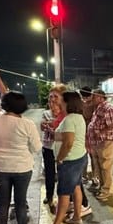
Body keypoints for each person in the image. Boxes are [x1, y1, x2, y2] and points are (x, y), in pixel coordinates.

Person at [0, 91, 42, 224]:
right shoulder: (27, 124)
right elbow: (37, 147)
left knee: (3, 202)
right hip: (21, 167)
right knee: (20, 201)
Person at [41, 91, 89, 224]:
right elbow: (66, 136)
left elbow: (68, 142)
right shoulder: (78, 117)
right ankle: (76, 217)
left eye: (61, 100)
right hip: (78, 158)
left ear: (68, 102)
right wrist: (54, 133)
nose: (58, 102)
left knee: (63, 194)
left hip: (69, 161)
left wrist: (60, 159)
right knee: (75, 187)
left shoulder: (69, 119)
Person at [86, 89, 113, 201]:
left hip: (105, 142)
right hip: (97, 142)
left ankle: (106, 190)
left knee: (105, 167)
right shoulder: (98, 108)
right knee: (99, 166)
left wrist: (100, 132)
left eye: (94, 97)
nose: (92, 99)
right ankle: (102, 186)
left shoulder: (108, 108)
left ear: (100, 97)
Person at [40, 84, 67, 213]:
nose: (52, 100)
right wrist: (48, 126)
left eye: (55, 97)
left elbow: (59, 131)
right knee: (49, 173)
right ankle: (49, 196)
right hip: (48, 147)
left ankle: (64, 197)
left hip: (61, 148)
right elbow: (44, 127)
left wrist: (52, 126)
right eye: (50, 97)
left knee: (63, 174)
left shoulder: (66, 114)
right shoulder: (46, 113)